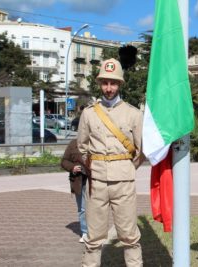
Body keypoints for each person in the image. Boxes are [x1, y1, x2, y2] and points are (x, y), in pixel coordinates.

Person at [77, 58, 144, 267]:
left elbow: (141, 151)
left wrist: (126, 167)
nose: (108, 88)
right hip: (97, 183)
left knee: (129, 236)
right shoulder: (88, 113)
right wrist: (96, 166)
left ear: (120, 84)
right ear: (100, 84)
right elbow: (82, 146)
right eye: (105, 82)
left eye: (113, 83)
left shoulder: (133, 113)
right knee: (94, 237)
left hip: (124, 182)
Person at [61, 138, 88, 243]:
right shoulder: (73, 143)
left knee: (96, 207)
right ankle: (85, 232)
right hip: (79, 180)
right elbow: (64, 161)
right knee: (82, 208)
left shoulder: (96, 140)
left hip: (95, 180)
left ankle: (97, 233)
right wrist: (73, 167)